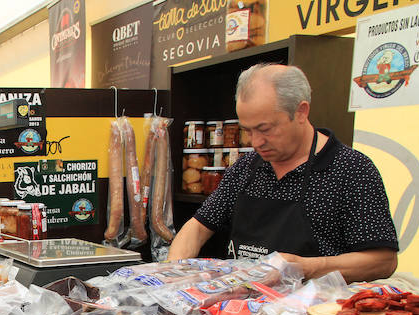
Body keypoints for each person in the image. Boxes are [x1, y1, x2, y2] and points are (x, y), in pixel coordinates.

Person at [168, 64, 399, 283]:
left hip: (311, 313)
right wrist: (172, 274)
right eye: (247, 130)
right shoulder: (244, 168)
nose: (256, 142)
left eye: (265, 129)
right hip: (242, 308)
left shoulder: (351, 170)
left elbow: (383, 261)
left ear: (301, 112)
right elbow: (197, 229)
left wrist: (306, 267)